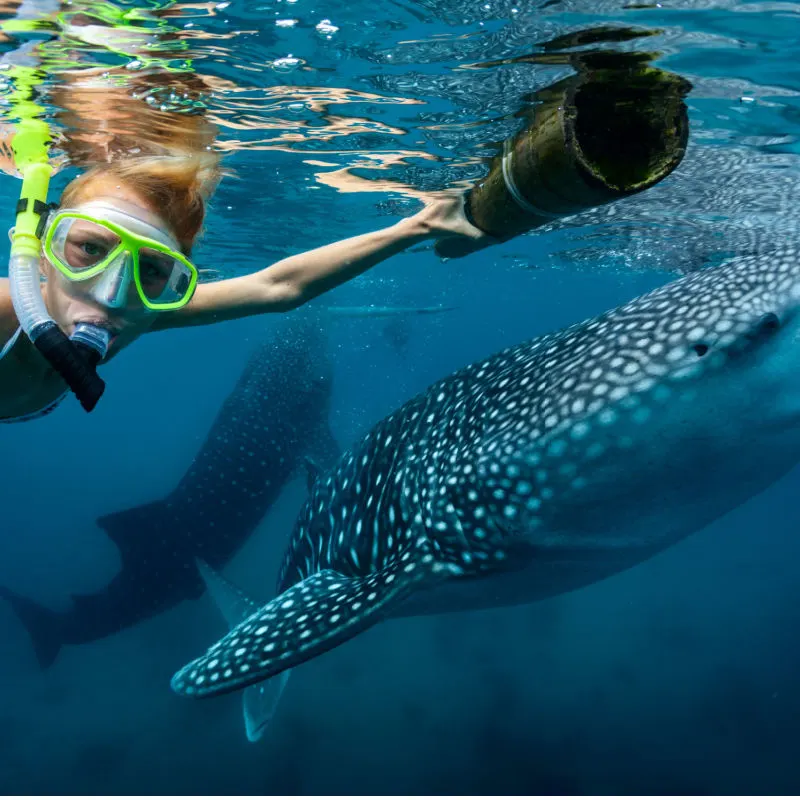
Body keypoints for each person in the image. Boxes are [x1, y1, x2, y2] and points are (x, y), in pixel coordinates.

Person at [0, 4, 489, 423]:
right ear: (40, 252)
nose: (110, 294)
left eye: (151, 269)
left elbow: (276, 288)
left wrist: (418, 225)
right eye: (88, 250)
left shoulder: (141, 312)